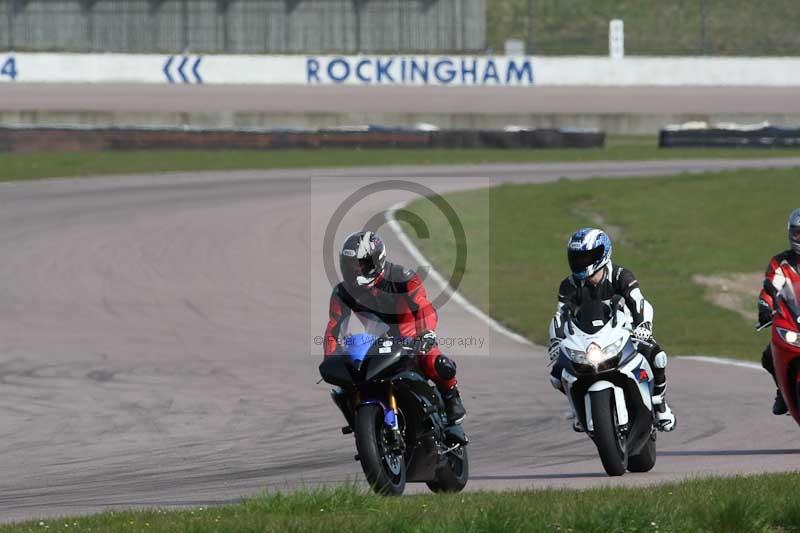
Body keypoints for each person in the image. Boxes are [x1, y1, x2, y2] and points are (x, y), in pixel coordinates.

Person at [323, 230, 466, 424]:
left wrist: (426, 333)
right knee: (344, 387)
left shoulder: (403, 277)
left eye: (361, 264)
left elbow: (423, 306)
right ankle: (362, 422)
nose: (355, 270)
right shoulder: (342, 292)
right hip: (376, 344)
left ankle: (451, 396)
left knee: (437, 363)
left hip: (412, 341)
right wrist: (331, 357)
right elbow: (334, 327)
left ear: (377, 260)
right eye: (350, 266)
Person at [547, 228, 676, 432]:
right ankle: (578, 409)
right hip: (588, 341)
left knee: (658, 357)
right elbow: (560, 316)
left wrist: (643, 326)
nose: (582, 262)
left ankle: (660, 405)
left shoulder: (621, 275)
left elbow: (639, 301)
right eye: (578, 257)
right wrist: (555, 342)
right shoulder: (568, 285)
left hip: (625, 332)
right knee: (555, 376)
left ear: (603, 253)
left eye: (588, 256)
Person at [757, 208, 800, 415]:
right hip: (794, 321)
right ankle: (782, 391)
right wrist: (765, 306)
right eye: (798, 233)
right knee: (768, 356)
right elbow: (770, 288)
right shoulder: (780, 263)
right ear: (790, 234)